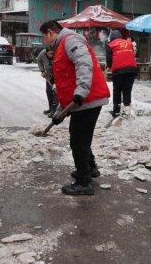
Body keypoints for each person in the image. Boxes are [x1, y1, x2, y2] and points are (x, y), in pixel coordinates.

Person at [40, 20, 110, 196]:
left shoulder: (70, 40)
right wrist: (59, 113)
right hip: (82, 101)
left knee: (78, 141)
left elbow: (84, 63)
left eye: (43, 36)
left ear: (50, 33)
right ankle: (90, 169)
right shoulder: (59, 47)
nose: (43, 41)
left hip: (87, 99)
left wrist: (82, 91)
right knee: (80, 138)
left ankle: (84, 182)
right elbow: (66, 83)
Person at [106, 30, 138, 117]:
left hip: (118, 70)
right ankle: (127, 111)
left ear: (112, 37)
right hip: (132, 69)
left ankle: (116, 111)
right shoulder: (129, 43)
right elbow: (133, 54)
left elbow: (109, 58)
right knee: (127, 90)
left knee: (117, 90)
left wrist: (109, 66)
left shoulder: (110, 44)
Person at [37, 47, 57, 118]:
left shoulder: (57, 53)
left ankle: (54, 111)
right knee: (49, 92)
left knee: (55, 93)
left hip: (57, 77)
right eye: (50, 53)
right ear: (46, 52)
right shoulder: (42, 53)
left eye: (53, 53)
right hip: (48, 76)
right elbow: (39, 61)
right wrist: (42, 71)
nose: (52, 55)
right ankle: (51, 108)